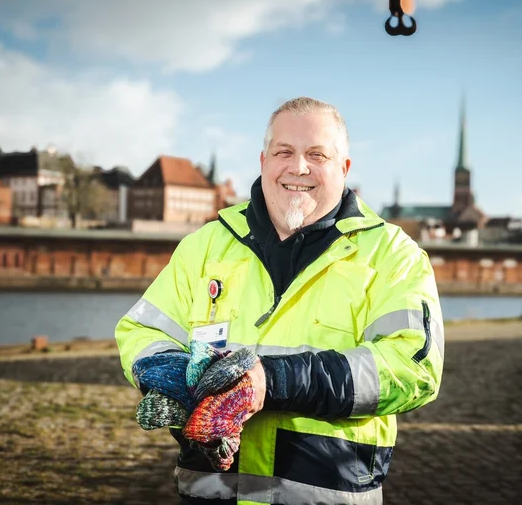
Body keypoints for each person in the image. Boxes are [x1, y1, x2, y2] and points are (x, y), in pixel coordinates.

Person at [115, 96, 445, 505]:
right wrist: (168, 371)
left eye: (316, 154)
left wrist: (273, 381)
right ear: (263, 160)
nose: (298, 167)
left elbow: (414, 368)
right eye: (284, 152)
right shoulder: (205, 245)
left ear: (344, 169)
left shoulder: (393, 254)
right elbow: (143, 329)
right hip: (208, 495)